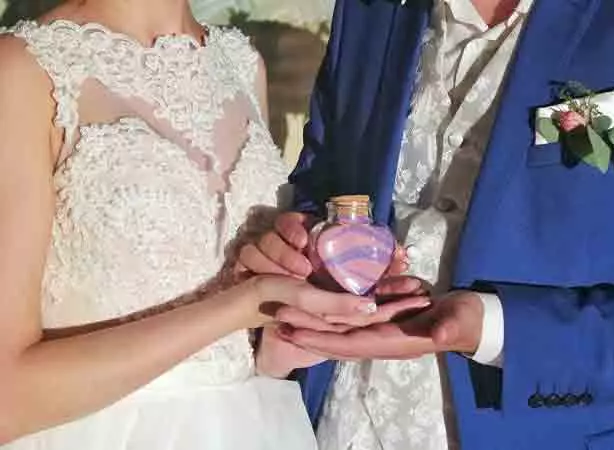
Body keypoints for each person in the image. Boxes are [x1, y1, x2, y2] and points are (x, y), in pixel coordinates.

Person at [242, 0, 614, 448]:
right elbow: (324, 183)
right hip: (339, 423)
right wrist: (306, 244)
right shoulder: (370, 10)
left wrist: (492, 329)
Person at [0, 0, 428, 448]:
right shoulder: (25, 71)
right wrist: (246, 302)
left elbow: (229, 353)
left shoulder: (240, 63)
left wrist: (282, 337)